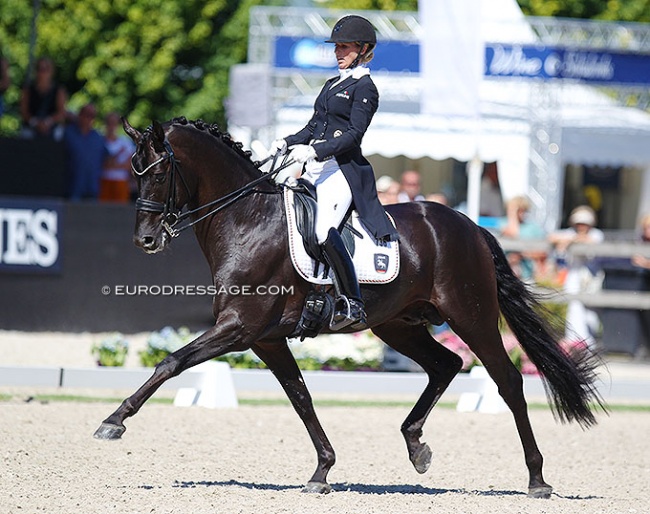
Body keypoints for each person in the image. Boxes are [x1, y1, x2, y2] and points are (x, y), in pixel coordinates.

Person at [271, 14, 398, 330]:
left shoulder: (365, 88)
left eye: (344, 47)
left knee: (323, 229)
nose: (338, 52)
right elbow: (314, 126)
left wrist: (314, 150)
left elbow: (354, 135)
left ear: (363, 49)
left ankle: (352, 302)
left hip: (342, 170)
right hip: (315, 167)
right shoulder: (332, 85)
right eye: (336, 47)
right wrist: (287, 142)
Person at [548, 205, 604, 346]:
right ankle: (576, 344)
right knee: (574, 310)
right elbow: (552, 237)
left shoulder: (596, 234)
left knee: (591, 314)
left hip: (591, 278)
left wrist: (571, 240)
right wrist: (571, 239)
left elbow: (591, 241)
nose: (581, 226)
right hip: (573, 277)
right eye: (579, 223)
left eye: (584, 223)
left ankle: (589, 345)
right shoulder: (569, 233)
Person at [64, 103, 108, 200]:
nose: (88, 118)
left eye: (92, 116)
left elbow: (107, 159)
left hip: (92, 188)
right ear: (79, 115)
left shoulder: (98, 138)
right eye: (86, 114)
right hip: (71, 188)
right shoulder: (67, 134)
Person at [499, 196, 546, 281]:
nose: (519, 213)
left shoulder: (533, 228)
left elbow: (542, 252)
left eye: (521, 209)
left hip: (526, 275)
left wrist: (522, 255)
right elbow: (513, 233)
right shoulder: (503, 224)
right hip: (506, 274)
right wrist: (512, 214)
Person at [20, 57, 67, 140]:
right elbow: (24, 112)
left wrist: (47, 122)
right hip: (31, 128)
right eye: (39, 69)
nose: (42, 72)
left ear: (51, 71)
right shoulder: (28, 90)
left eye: (46, 69)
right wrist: (35, 123)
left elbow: (61, 113)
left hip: (52, 128)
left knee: (59, 135)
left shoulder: (59, 90)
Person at [99, 112, 136, 203]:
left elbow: (129, 165)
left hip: (121, 182)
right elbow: (101, 164)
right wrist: (118, 161)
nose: (111, 126)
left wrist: (111, 163)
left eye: (114, 123)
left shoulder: (126, 142)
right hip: (104, 181)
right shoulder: (99, 141)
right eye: (109, 122)